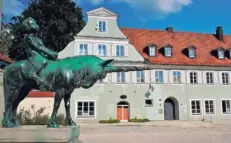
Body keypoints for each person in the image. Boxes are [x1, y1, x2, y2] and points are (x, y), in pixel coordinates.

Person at [21, 17, 58, 90]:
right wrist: (49, 53)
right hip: (33, 56)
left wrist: (50, 53)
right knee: (43, 61)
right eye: (32, 24)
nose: (36, 25)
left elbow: (43, 47)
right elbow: (38, 47)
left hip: (39, 55)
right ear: (27, 27)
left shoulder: (38, 39)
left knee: (51, 61)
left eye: (35, 23)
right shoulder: (29, 37)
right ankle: (34, 75)